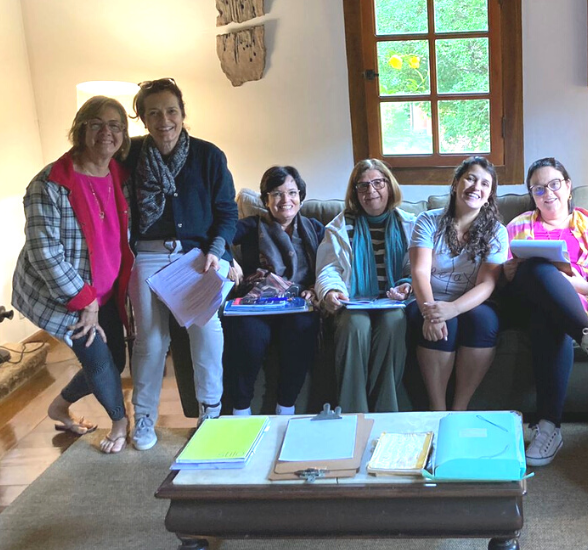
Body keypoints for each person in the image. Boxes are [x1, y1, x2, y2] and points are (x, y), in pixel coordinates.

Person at [12, 96, 133, 454]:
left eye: (115, 125)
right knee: (98, 358)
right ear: (80, 129)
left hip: (105, 291)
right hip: (64, 292)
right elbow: (45, 253)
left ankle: (59, 407)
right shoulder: (49, 184)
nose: (106, 132)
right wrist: (85, 301)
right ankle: (120, 423)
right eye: (96, 124)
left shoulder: (118, 173)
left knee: (116, 359)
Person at [125, 78, 238, 450]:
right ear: (143, 118)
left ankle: (211, 411)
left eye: (171, 111)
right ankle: (144, 417)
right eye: (154, 113)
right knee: (150, 339)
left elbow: (227, 213)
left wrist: (216, 250)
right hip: (148, 255)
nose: (164, 121)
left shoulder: (208, 155)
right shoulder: (129, 155)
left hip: (196, 257)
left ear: (182, 113)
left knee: (206, 328)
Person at [503, 157, 588, 466]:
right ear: (532, 195)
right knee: (537, 266)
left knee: (549, 318)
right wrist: (509, 270)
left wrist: (581, 286)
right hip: (522, 301)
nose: (548, 193)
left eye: (554, 184)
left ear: (568, 187)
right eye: (538, 188)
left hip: (576, 304)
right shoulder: (518, 226)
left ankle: (548, 428)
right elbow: (499, 275)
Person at [408, 156, 509, 411]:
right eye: (470, 179)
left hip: (473, 302)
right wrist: (431, 312)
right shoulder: (427, 221)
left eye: (485, 184)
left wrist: (453, 308)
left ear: (489, 195)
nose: (476, 187)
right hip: (429, 299)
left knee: (483, 321)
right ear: (456, 184)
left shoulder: (497, 231)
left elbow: (487, 284)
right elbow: (419, 272)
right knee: (446, 325)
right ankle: (437, 408)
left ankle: (459, 409)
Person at [315, 159, 416, 412]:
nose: (371, 191)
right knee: (356, 325)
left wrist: (407, 284)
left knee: (394, 321)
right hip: (352, 303)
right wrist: (331, 290)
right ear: (355, 192)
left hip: (392, 303)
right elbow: (329, 268)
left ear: (389, 186)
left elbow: (415, 268)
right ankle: (353, 411)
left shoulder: (409, 224)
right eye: (362, 186)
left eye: (377, 183)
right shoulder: (339, 227)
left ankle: (386, 410)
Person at [223, 166, 324, 416]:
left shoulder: (315, 229)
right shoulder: (251, 226)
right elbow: (219, 238)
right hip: (257, 302)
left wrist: (315, 288)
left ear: (301, 196)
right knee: (248, 335)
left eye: (292, 192)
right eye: (277, 193)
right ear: (265, 199)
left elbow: (328, 266)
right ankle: (241, 411)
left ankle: (285, 408)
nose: (285, 200)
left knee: (303, 328)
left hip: (298, 303)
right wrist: (228, 259)